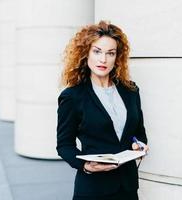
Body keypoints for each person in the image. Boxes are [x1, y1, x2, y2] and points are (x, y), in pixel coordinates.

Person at [56, 20, 148, 200]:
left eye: (110, 53)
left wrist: (139, 145)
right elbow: (64, 145)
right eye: (97, 51)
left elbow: (139, 133)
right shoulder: (73, 96)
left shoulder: (131, 91)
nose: (103, 59)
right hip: (93, 189)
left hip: (128, 188)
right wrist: (85, 166)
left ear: (117, 57)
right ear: (86, 53)